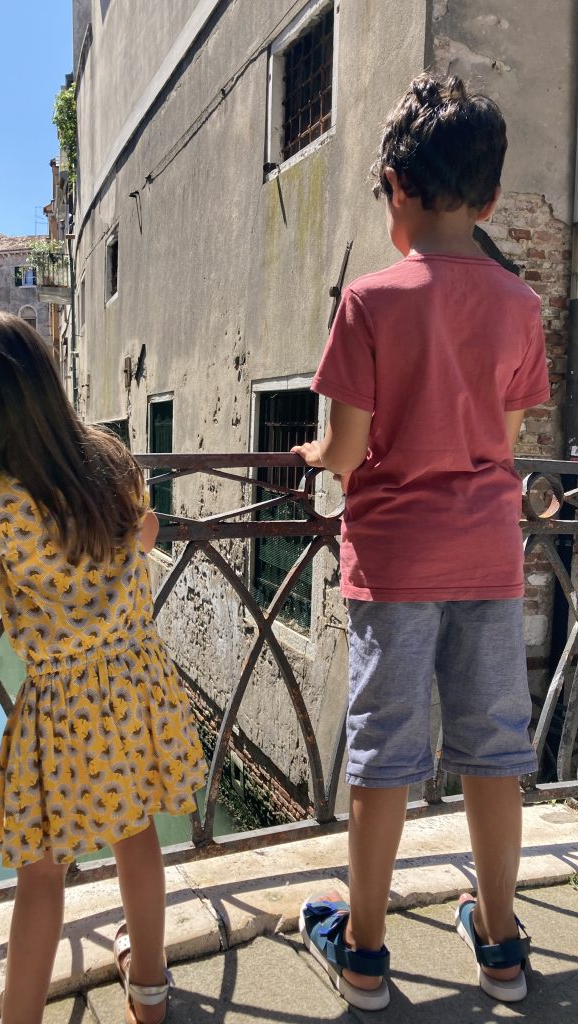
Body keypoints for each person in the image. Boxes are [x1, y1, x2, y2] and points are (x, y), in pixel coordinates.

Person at [292, 75, 549, 1011]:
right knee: (494, 749)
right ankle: (502, 941)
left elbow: (349, 453)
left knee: (387, 754)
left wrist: (314, 448)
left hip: (395, 564)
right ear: (487, 199)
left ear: (395, 185)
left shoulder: (369, 301)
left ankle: (363, 952)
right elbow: (508, 443)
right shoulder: (520, 305)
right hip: (488, 557)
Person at [0, 310, 207, 1024]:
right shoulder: (109, 458)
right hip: (138, 682)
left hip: (63, 706)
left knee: (42, 874)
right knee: (135, 834)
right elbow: (145, 529)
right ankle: (150, 990)